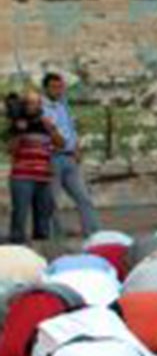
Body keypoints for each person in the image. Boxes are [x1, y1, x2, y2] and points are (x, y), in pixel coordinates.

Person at [40, 72, 99, 237]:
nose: (58, 91)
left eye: (61, 87)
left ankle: (93, 233)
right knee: (51, 202)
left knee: (84, 198)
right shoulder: (40, 109)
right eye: (54, 87)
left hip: (69, 158)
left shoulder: (63, 105)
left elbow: (70, 129)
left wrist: (77, 147)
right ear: (45, 88)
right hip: (51, 158)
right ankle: (54, 235)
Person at [8, 89, 59, 244]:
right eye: (30, 102)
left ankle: (42, 249)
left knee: (43, 216)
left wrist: (51, 129)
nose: (33, 106)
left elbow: (61, 144)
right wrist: (19, 132)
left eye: (37, 102)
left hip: (43, 177)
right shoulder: (17, 123)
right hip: (22, 177)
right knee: (20, 215)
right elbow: (11, 149)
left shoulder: (46, 123)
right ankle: (17, 249)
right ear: (24, 105)